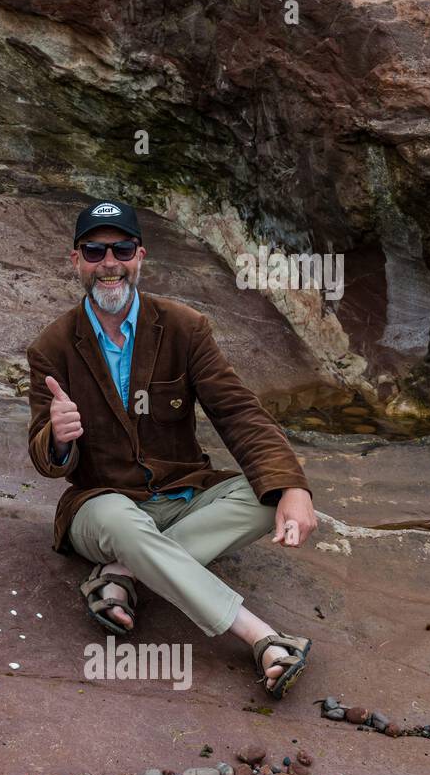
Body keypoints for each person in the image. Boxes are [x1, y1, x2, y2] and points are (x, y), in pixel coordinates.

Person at [26, 200, 318, 698]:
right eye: (94, 251)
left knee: (266, 496)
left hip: (185, 494)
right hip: (102, 505)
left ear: (140, 255)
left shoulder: (186, 327)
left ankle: (124, 576)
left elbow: (238, 413)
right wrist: (56, 436)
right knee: (123, 522)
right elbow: (44, 460)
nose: (108, 263)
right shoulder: (51, 347)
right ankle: (260, 634)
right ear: (75, 260)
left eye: (120, 249)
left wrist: (293, 487)